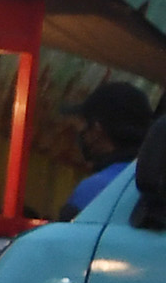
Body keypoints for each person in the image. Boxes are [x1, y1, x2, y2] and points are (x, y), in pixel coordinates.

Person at [60, 81, 155, 220]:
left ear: (97, 128)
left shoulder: (94, 189)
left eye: (84, 124)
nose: (80, 133)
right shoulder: (161, 184)